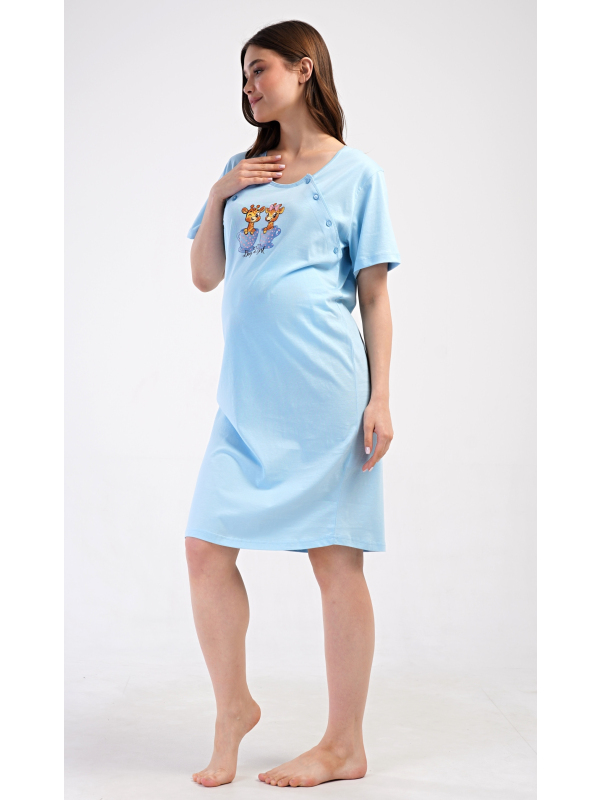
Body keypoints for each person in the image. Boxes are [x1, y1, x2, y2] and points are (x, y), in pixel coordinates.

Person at [184, 19, 401, 789]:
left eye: (260, 68)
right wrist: (222, 191)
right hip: (245, 403)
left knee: (335, 563)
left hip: (324, 400)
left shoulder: (356, 174)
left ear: (304, 70)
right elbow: (204, 275)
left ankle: (344, 745)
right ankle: (233, 708)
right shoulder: (240, 170)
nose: (249, 85)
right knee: (205, 550)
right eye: (243, 74)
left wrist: (380, 397)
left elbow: (373, 296)